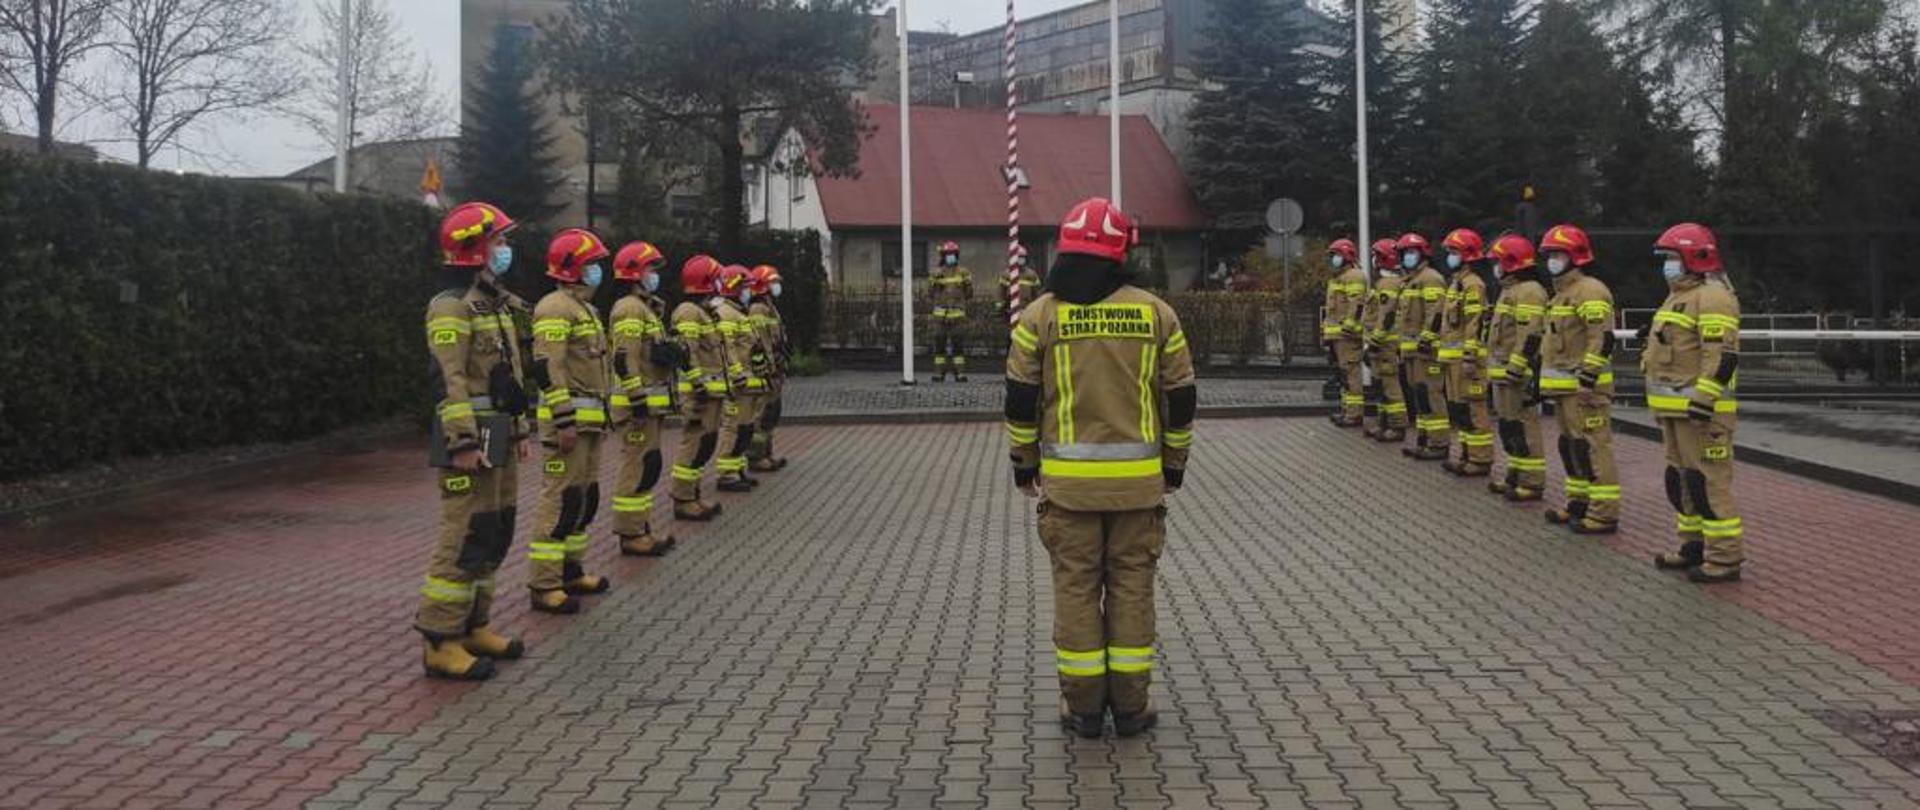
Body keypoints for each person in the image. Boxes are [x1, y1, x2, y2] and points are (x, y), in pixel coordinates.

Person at [1005, 197, 1197, 739]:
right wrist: (1174, 466)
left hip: (1068, 490)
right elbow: (1181, 399)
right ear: (1122, 252)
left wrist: (1024, 465)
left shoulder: (1040, 316)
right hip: (1139, 489)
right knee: (1132, 588)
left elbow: (1019, 401)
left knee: (1076, 590)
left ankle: (1085, 708)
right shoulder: (1156, 314)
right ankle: (1131, 708)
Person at [415, 202, 531, 680]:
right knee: (463, 535)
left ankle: (475, 625)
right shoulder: (451, 306)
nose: (505, 249)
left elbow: (506, 375)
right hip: (467, 439)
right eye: (498, 241)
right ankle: (440, 641)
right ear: (475, 248)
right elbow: (448, 380)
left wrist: (518, 429)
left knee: (493, 530)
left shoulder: (492, 302)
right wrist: (462, 441)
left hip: (496, 433)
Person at [1646, 223, 1745, 583]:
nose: (1667, 265)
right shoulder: (1677, 296)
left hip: (1702, 414)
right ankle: (1694, 546)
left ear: (1693, 257)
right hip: (1675, 411)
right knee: (1683, 482)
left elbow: (1720, 355)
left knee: (1708, 484)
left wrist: (1704, 400)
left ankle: (1724, 557)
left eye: (1672, 257)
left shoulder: (1713, 296)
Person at [526, 228, 616, 613]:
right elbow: (550, 368)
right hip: (568, 425)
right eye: (592, 263)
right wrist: (563, 420)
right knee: (559, 499)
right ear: (572, 267)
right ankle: (544, 583)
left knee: (582, 499)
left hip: (589, 424)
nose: (598, 270)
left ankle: (571, 570)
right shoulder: (554, 307)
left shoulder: (586, 310)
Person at [1537, 224, 1621, 534]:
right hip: (1565, 389)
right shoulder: (1561, 295)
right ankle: (1579, 502)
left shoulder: (1590, 291)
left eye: (1558, 254)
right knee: (1572, 447)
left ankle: (1604, 512)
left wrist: (1588, 378)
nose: (1552, 261)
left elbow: (1601, 339)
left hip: (1585, 390)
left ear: (1576, 257)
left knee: (1594, 449)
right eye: (1549, 255)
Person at [607, 241, 681, 557]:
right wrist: (637, 398)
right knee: (635, 467)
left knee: (648, 466)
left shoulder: (645, 308)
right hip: (637, 407)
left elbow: (646, 354)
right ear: (635, 272)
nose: (655, 274)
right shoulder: (629, 308)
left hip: (649, 406)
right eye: (650, 268)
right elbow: (625, 358)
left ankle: (641, 527)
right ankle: (630, 532)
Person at [1485, 234, 1551, 501]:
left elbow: (1529, 334)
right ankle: (1515, 472)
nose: (1495, 267)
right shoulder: (1509, 291)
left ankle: (1532, 481)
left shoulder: (1529, 292)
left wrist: (1517, 366)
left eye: (1498, 261)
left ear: (1511, 262)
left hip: (1518, 375)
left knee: (1525, 426)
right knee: (1510, 426)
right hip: (1504, 373)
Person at [668, 256, 728, 521]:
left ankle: (693, 495)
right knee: (693, 444)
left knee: (704, 445)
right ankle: (683, 499)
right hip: (698, 395)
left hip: (710, 395)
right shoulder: (688, 312)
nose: (721, 285)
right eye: (717, 279)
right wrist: (698, 384)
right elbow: (687, 352)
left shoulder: (704, 313)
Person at [1437, 229, 1495, 475]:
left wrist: (1470, 356)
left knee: (1474, 410)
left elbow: (1475, 323)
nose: (1449, 256)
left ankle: (1480, 459)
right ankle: (1466, 454)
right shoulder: (1456, 283)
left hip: (1466, 361)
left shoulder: (1473, 285)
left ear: (1467, 255)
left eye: (1454, 251)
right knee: (1460, 410)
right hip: (1453, 360)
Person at [1395, 233, 1448, 459]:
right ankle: (1424, 439)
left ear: (1423, 254)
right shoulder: (1410, 281)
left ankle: (1439, 443)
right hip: (1412, 352)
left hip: (1427, 352)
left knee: (1431, 395)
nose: (1407, 256)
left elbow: (1435, 314)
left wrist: (1426, 340)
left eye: (1412, 252)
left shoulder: (1431, 279)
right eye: (1404, 253)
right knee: (1421, 396)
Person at [711, 265, 762, 493]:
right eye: (745, 286)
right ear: (734, 287)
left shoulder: (738, 311)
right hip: (738, 383)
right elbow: (728, 348)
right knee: (733, 427)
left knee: (745, 428)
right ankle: (726, 474)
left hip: (748, 381)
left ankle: (738, 468)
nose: (748, 291)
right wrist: (736, 374)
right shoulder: (726, 313)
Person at [1360, 238, 1408, 441]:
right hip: (1380, 343)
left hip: (1384, 345)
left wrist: (1374, 342)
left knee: (1390, 386)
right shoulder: (1387, 282)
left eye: (1376, 256)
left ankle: (1397, 426)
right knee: (1381, 385)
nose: (1373, 260)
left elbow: (1385, 316)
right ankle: (1384, 423)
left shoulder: (1388, 284)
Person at [747, 265, 791, 473]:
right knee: (762, 415)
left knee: (772, 413)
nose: (777, 286)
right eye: (773, 282)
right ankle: (756, 457)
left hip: (776, 369)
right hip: (767, 372)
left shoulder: (769, 306)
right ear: (762, 285)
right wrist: (769, 369)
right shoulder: (758, 309)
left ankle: (767, 453)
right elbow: (762, 342)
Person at [1321, 239, 1369, 427]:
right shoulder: (1339, 277)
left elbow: (1357, 304)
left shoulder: (1354, 276)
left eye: (1336, 255)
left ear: (1347, 256)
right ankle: (1347, 410)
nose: (1334, 259)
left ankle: (1354, 414)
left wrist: (1349, 327)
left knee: (1351, 375)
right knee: (1344, 375)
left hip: (1346, 336)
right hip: (1337, 337)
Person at [929, 241, 974, 381]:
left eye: (953, 254)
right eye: (948, 254)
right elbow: (930, 293)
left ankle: (960, 373)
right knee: (939, 345)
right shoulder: (936, 272)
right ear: (943, 256)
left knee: (958, 345)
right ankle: (939, 373)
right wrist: (935, 282)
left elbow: (969, 294)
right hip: (940, 316)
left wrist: (968, 285)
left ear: (957, 255)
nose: (950, 257)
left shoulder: (964, 272)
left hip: (957, 315)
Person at [998, 245, 1043, 323]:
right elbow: (1001, 292)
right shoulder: (1006, 275)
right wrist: (1001, 308)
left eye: (1022, 257)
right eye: (1018, 257)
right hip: (1010, 310)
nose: (1020, 260)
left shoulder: (1031, 275)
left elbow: (1037, 293)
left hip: (1027, 309)